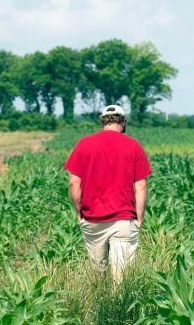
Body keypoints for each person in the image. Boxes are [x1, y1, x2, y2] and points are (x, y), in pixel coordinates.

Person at [64, 104, 151, 283]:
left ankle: (99, 306)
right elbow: (140, 186)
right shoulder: (133, 146)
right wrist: (139, 218)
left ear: (102, 121)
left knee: (98, 274)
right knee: (121, 277)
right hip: (123, 219)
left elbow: (73, 183)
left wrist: (79, 211)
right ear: (123, 122)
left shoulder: (84, 144)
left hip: (92, 219)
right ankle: (119, 309)